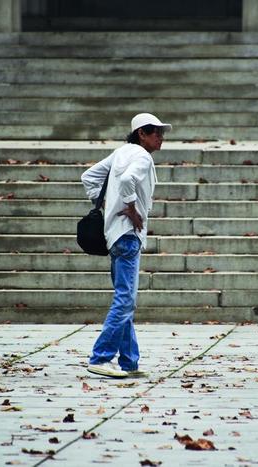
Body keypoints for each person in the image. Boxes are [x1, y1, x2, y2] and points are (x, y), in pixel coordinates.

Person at [80, 113, 171, 378]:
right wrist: (129, 207)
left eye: (161, 133)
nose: (160, 137)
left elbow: (88, 177)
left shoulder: (121, 153)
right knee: (125, 299)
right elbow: (128, 180)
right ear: (141, 134)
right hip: (128, 235)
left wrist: (108, 203)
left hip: (115, 235)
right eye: (155, 132)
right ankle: (100, 357)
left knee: (125, 298)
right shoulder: (141, 156)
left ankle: (129, 362)